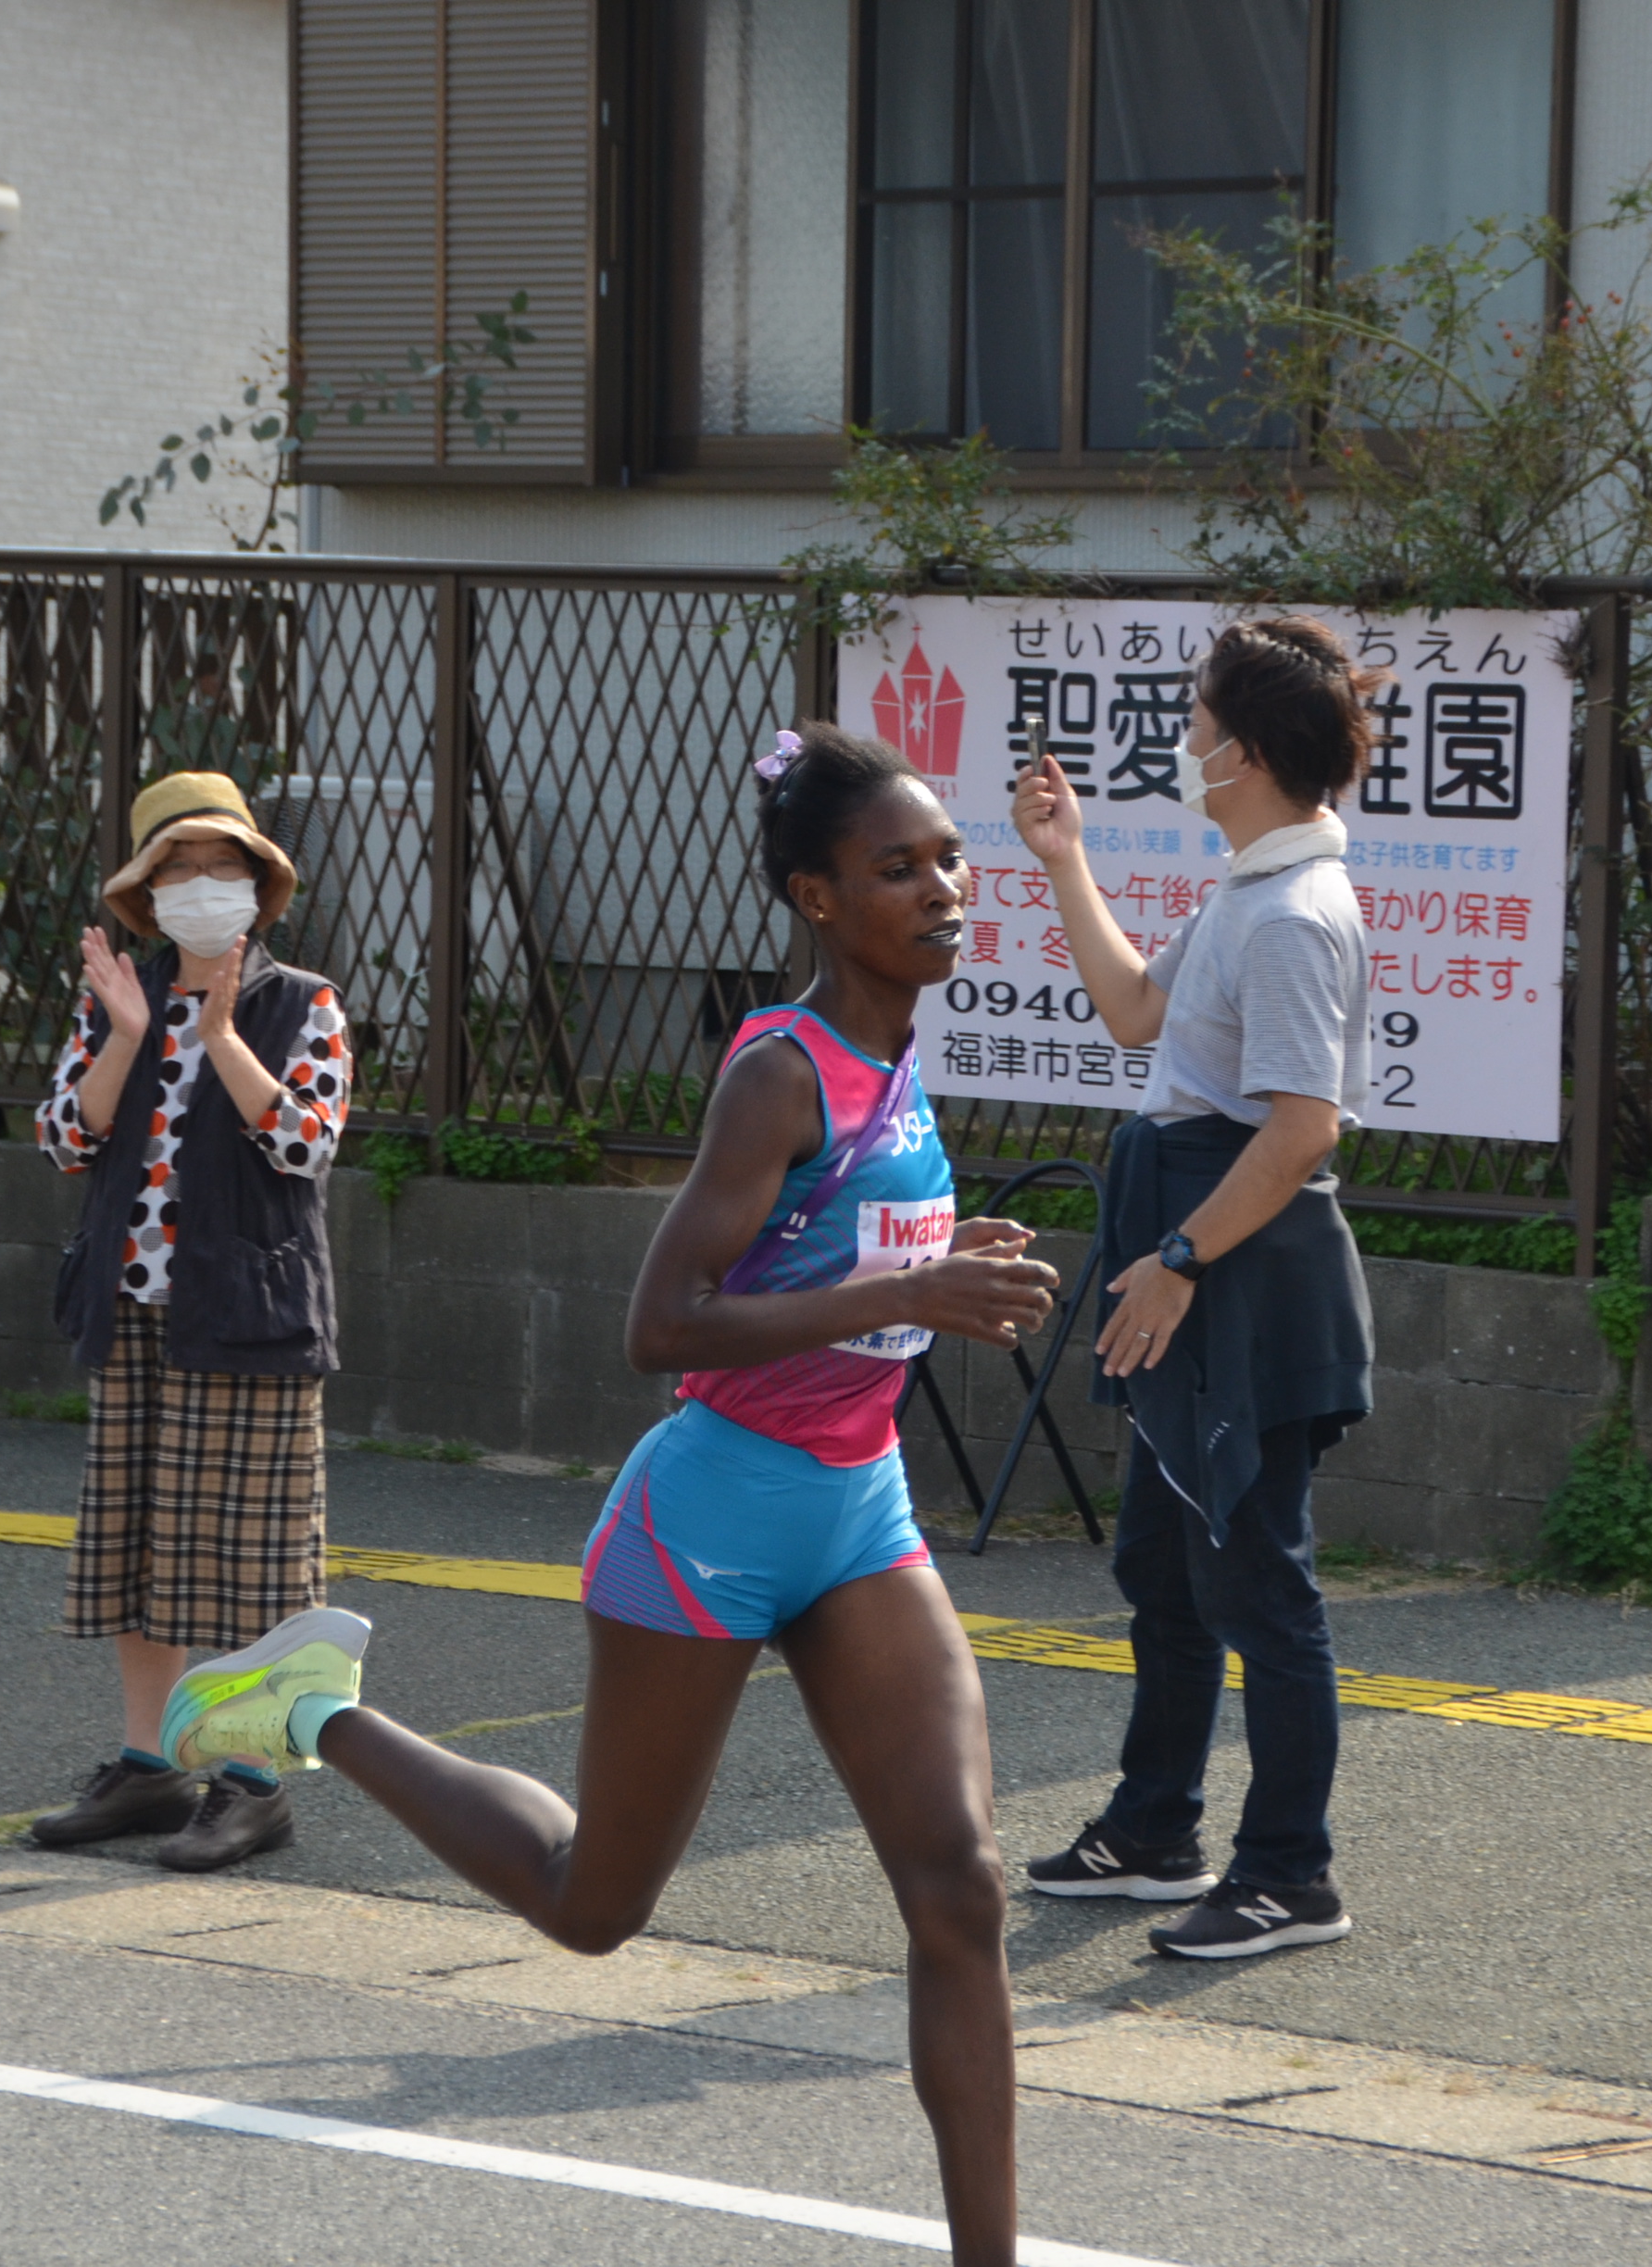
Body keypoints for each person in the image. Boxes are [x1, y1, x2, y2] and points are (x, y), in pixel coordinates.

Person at [156, 725, 1058, 2266]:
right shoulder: (780, 1073)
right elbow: (665, 1327)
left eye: (951, 859)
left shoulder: (903, 1057)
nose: (947, 888)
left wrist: (908, 1292)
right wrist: (896, 1289)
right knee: (593, 1905)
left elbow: (859, 1297)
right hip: (706, 1518)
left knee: (960, 1883)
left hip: (858, 1511)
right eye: (899, 867)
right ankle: (316, 1708)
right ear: (818, 898)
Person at [1010, 617, 1378, 1960]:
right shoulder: (1246, 889)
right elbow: (1132, 1014)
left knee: (1256, 1580)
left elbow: (1301, 1129)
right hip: (1200, 1255)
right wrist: (1068, 863)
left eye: (1201, 721)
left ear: (1254, 749)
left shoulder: (1291, 914)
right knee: (1166, 1564)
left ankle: (1291, 1874)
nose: (1186, 743)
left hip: (1235, 1272)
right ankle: (1155, 1828)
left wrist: (1174, 1263)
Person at [23, 771, 353, 1873]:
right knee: (139, 1544)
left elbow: (306, 1141)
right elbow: (68, 1139)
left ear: (260, 888)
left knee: (255, 1560)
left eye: (223, 868)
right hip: (132, 1305)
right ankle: (148, 1763)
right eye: (177, 869)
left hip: (251, 1311)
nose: (202, 887)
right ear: (143, 894)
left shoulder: (302, 1000)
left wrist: (219, 1035)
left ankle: (253, 1781)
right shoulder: (117, 992)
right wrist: (128, 1031)